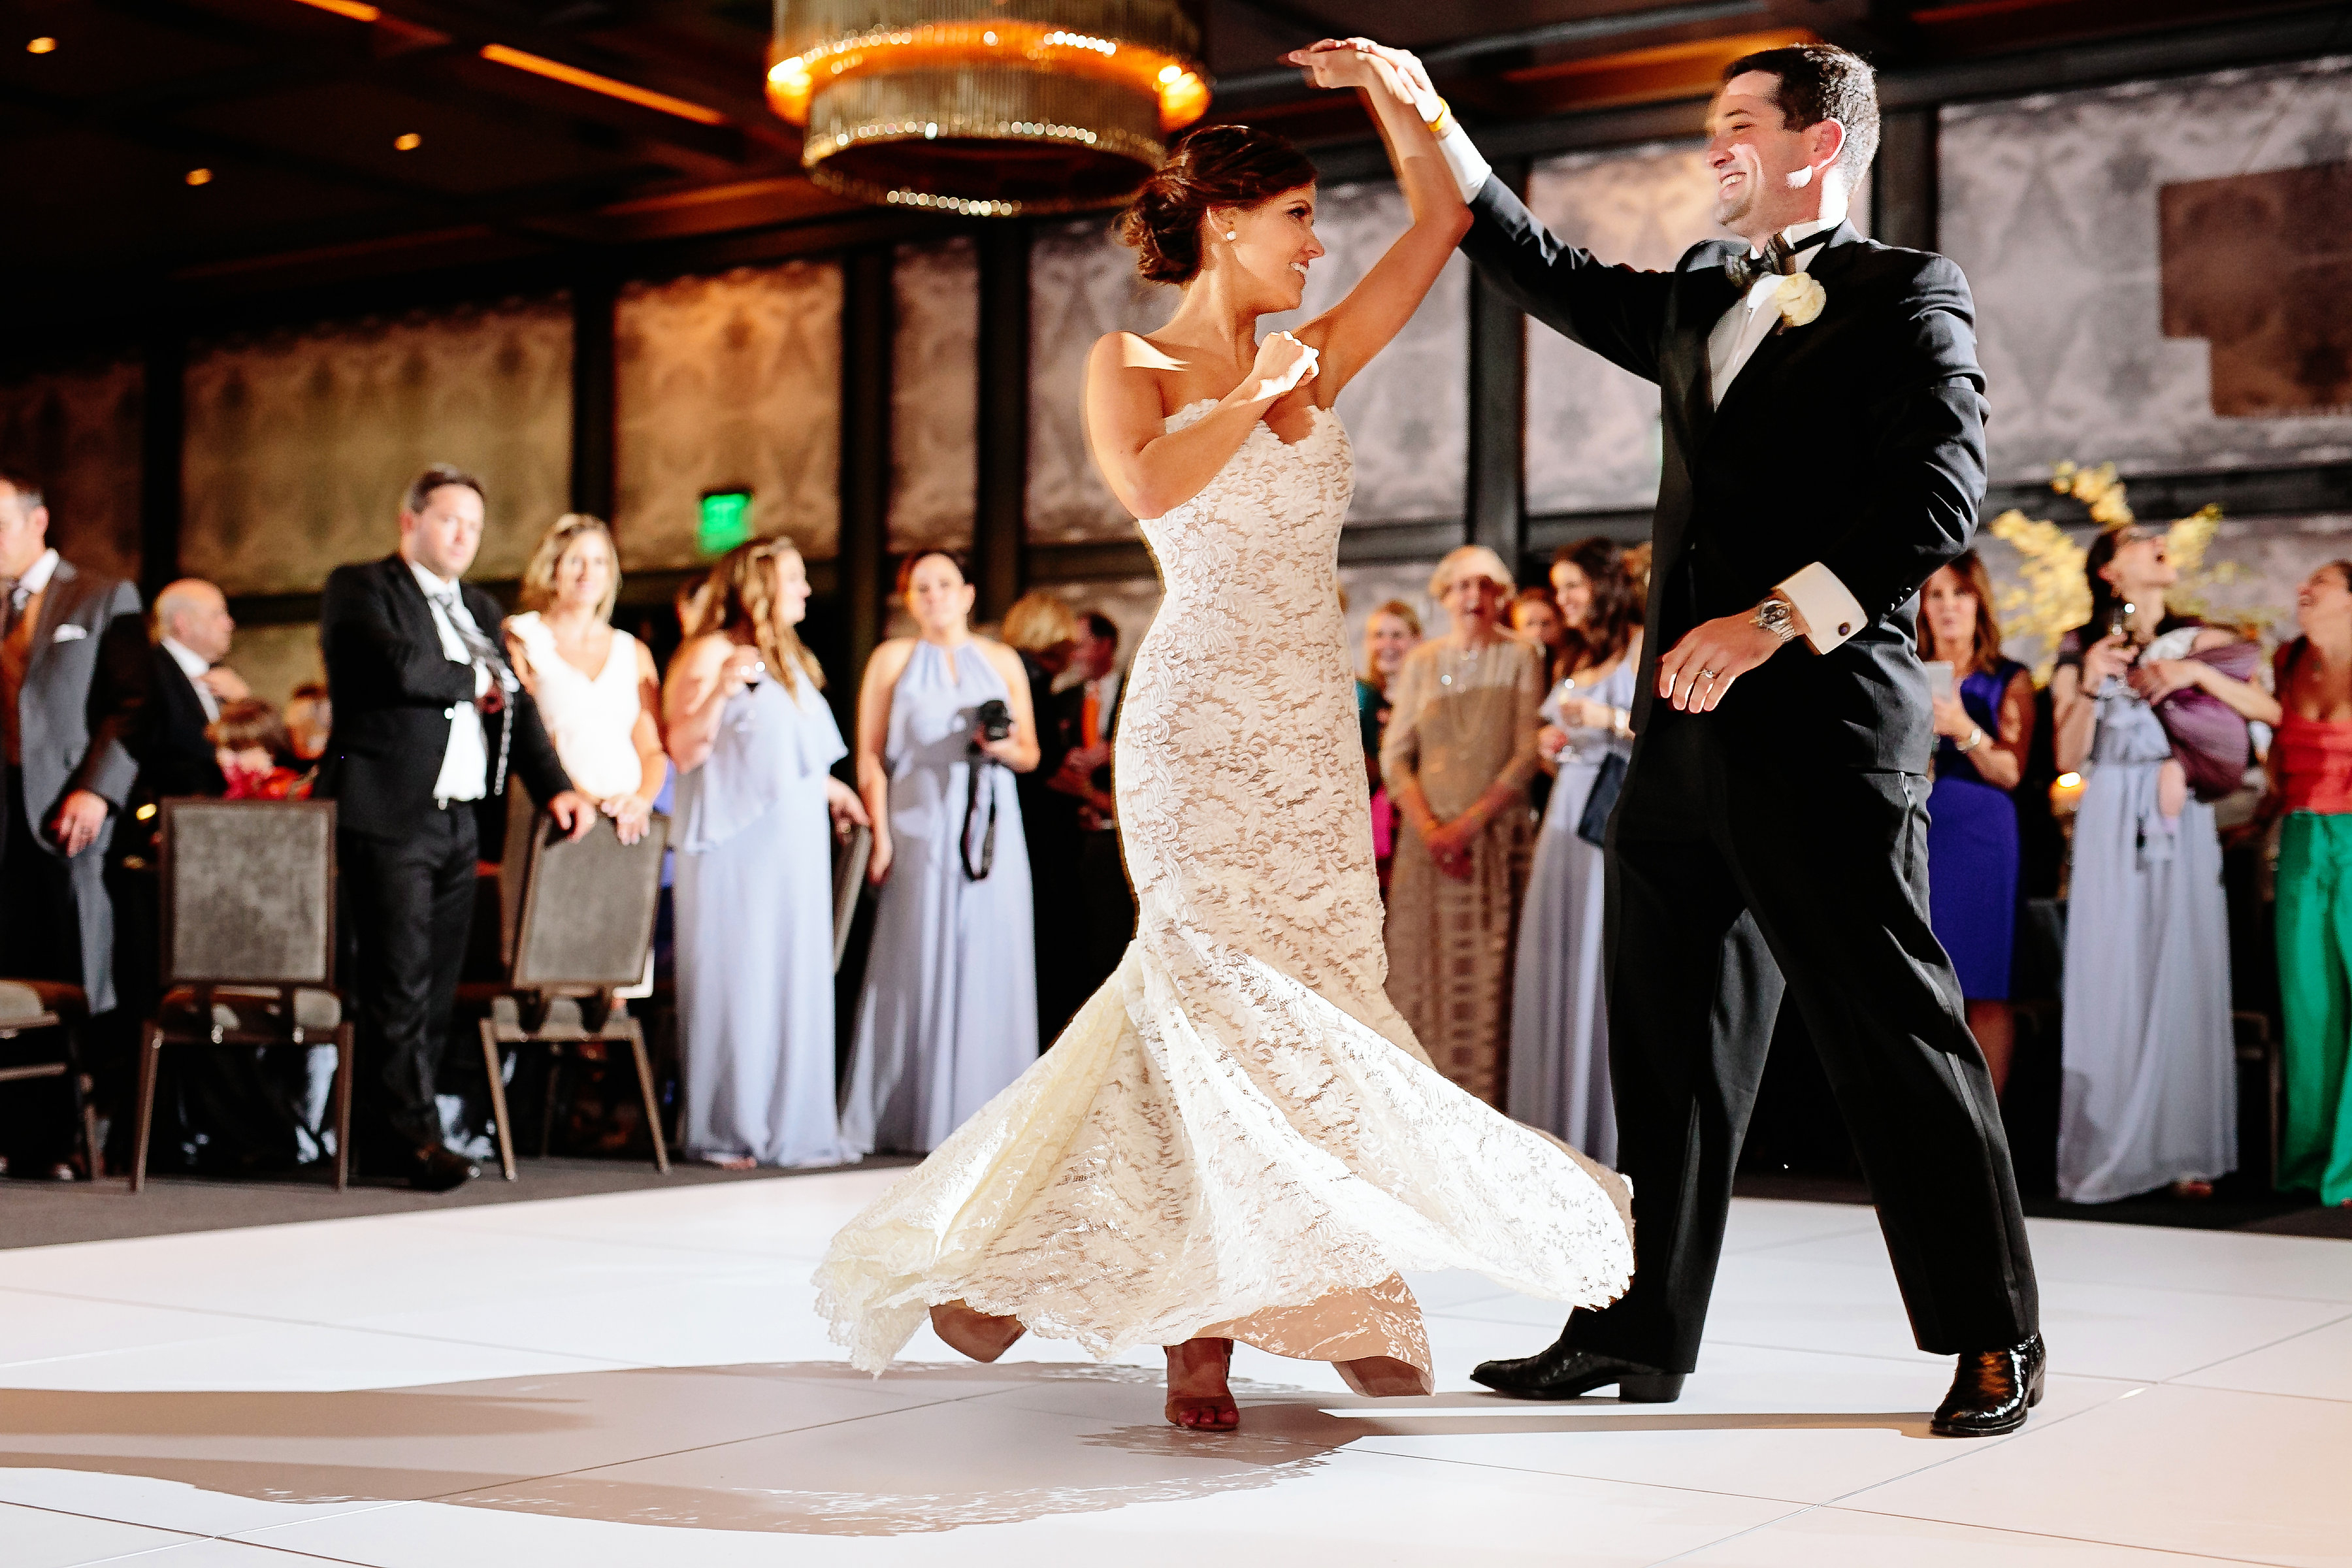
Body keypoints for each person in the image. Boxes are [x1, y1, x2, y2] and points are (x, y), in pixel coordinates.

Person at [817, 73, 1635, 1434]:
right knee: (1203, 1004)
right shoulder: (1128, 363)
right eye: (1298, 216)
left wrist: (1396, 90)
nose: (1318, 242)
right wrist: (1253, 391)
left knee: (1313, 1003)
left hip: (1310, 734)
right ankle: (1198, 1335)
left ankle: (1235, 1284)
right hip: (1195, 726)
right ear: (1225, 222)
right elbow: (1149, 484)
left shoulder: (1317, 351)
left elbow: (1442, 220)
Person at [1368, 36, 2048, 1434]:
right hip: (1676, 751)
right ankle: (1637, 1330)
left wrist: (1773, 621)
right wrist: (1423, 108)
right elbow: (1536, 261)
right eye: (1710, 123)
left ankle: (1995, 1335)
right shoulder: (1696, 288)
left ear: (1820, 141)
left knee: (1894, 1037)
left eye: (1739, 121)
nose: (1713, 144)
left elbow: (1939, 498)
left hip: (1828, 736)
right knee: (1665, 1051)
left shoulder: (1909, 291)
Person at [318, 463, 591, 1193]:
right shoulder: (362, 587)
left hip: (459, 819)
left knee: (436, 987)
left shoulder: (478, 606)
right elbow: (391, 665)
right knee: (397, 982)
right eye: (449, 520)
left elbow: (517, 707)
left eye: (474, 525)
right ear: (410, 521)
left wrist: (557, 788)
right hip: (390, 814)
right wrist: (474, 680)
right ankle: (407, 1140)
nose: (464, 536)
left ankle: (396, 1132)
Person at [2051, 526, 2272, 1204]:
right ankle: (2108, 1148)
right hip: (2111, 810)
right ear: (2108, 572)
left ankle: (2182, 1149)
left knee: (2183, 964)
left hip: (2181, 808)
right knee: (2111, 969)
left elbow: (2268, 715)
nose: (2157, 542)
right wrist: (2091, 684)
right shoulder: (2079, 646)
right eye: (2136, 539)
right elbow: (2065, 756)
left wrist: (2195, 676)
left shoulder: (2202, 639)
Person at [664, 537, 866, 1169]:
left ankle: (790, 1122)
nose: (805, 590)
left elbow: (782, 754)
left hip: (793, 846)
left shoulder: (789, 660)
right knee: (741, 977)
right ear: (759, 587)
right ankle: (727, 1126)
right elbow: (685, 748)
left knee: (790, 973)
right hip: (736, 851)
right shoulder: (710, 651)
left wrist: (833, 789)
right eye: (795, 578)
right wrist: (720, 690)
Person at [838, 551, 1042, 1155]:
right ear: (909, 599)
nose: (935, 596)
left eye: (945, 584)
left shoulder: (1001, 660)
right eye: (922, 587)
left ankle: (988, 1114)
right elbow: (869, 755)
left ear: (968, 593)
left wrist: (997, 746)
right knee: (914, 956)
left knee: (989, 954)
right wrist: (881, 833)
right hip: (918, 821)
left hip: (989, 825)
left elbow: (1030, 753)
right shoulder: (891, 659)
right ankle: (907, 1112)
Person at [0, 466, 146, 1182]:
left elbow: (133, 707)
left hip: (64, 814)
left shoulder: (100, 596)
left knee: (70, 969)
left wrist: (96, 791)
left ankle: (69, 1137)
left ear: (38, 521)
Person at [1381, 545, 1545, 1104]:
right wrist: (1432, 830)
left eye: (1485, 586)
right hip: (1426, 846)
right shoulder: (1422, 661)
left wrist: (1469, 826)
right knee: (1419, 972)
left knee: (1488, 976)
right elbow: (1395, 756)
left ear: (1502, 595)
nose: (1473, 597)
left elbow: (1526, 753)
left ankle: (1490, 1111)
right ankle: (1418, 1108)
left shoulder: (1522, 655)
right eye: (1461, 586)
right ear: (1444, 596)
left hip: (1493, 840)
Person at [1509, 536, 1641, 1158]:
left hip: (1607, 818)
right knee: (1555, 955)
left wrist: (1605, 719)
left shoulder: (1638, 643)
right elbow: (1557, 737)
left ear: (1604, 585)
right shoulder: (1576, 653)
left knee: (1595, 953)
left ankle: (1599, 1129)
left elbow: (1662, 733)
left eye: (1573, 587)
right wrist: (1549, 747)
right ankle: (1551, 1123)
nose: (1562, 601)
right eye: (1558, 589)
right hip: (1564, 813)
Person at [1917, 552, 2034, 1092]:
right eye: (1935, 594)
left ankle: (1989, 1128)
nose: (1948, 607)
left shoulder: (2008, 678)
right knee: (1919, 981)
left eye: (1959, 594)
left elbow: (2011, 771)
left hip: (1983, 834)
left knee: (1985, 984)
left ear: (1979, 601)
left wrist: (1963, 728)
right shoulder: (1903, 671)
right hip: (1917, 828)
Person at [2264, 562, 2352, 1208]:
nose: (2305, 590)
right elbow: (2275, 755)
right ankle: (2311, 1163)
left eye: (2319, 583)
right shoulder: (2288, 659)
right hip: (2299, 840)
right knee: (2309, 1007)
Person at [505, 514, 666, 845]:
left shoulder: (632, 650)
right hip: (554, 813)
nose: (587, 573)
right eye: (575, 561)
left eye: (599, 562)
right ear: (553, 568)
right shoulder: (522, 637)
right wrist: (580, 795)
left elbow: (652, 750)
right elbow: (525, 737)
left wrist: (639, 801)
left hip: (627, 823)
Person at [1001, 589, 1085, 1043]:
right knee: (1050, 939)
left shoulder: (1009, 676)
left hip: (1020, 823)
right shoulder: (1032, 686)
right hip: (1040, 831)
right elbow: (1045, 768)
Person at [1050, 610, 1136, 1001]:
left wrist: (1112, 751)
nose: (1074, 655)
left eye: (1080, 645)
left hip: (1125, 836)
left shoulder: (1137, 691)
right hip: (1078, 836)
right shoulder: (1063, 701)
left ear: (1105, 646)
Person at [1356, 599, 1420, 889]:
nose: (1387, 644)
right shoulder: (1358, 699)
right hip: (1369, 827)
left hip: (1413, 820)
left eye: (1397, 635)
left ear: (1416, 640)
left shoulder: (1429, 701)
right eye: (1379, 635)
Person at [208, 699, 310, 800]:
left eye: (239, 749)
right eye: (220, 747)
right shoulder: (213, 788)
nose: (225, 759)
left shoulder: (291, 792)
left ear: (270, 750)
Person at [1512, 586, 1570, 685]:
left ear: (1561, 624)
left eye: (1546, 623)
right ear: (1516, 629)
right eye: (1530, 624)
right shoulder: (1513, 672)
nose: (1538, 631)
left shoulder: (1577, 665)